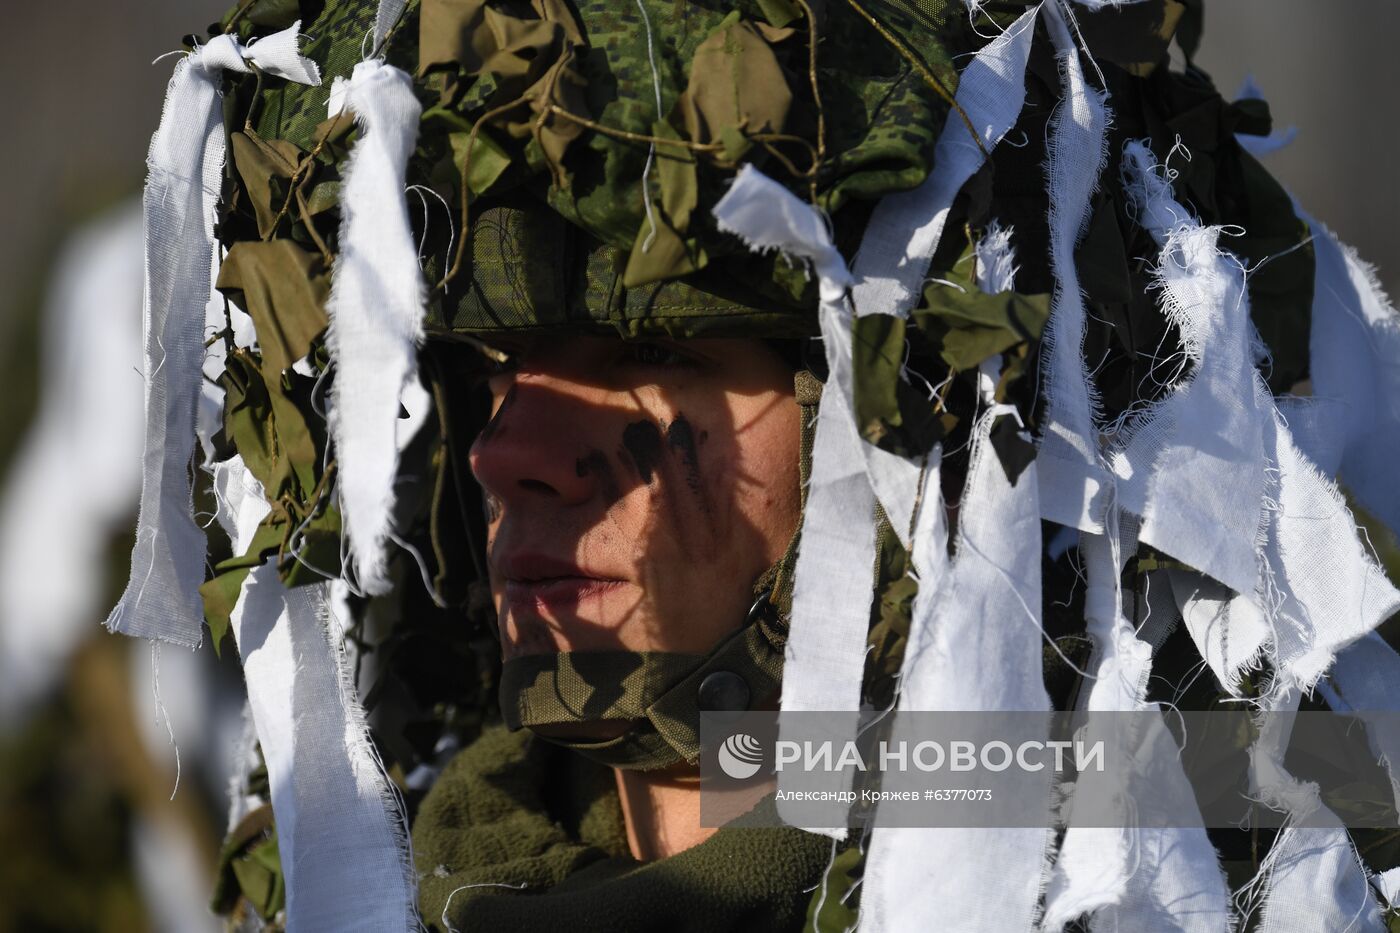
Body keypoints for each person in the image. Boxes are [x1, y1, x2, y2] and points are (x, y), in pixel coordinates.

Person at [106, 0, 1400, 929]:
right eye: (488, 370)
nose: (511, 450)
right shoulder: (348, 882)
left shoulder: (1233, 858)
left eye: (648, 352)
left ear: (918, 412)